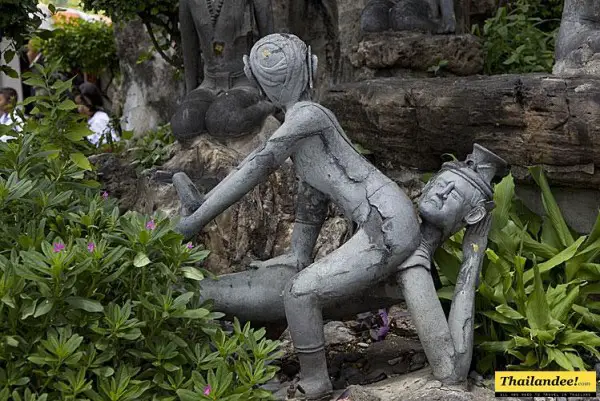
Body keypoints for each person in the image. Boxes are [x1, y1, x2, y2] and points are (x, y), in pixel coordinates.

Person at [173, 33, 421, 400]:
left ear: (254, 82)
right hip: (382, 220)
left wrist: (197, 218)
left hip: (385, 223)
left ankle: (316, 381)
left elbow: (254, 168)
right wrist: (298, 253)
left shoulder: (308, 116)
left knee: (298, 292)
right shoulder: (306, 124)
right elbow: (312, 201)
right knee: (290, 276)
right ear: (313, 69)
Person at [75, 82, 119, 147]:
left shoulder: (98, 120)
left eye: (79, 104)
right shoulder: (92, 120)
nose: (77, 108)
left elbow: (108, 145)